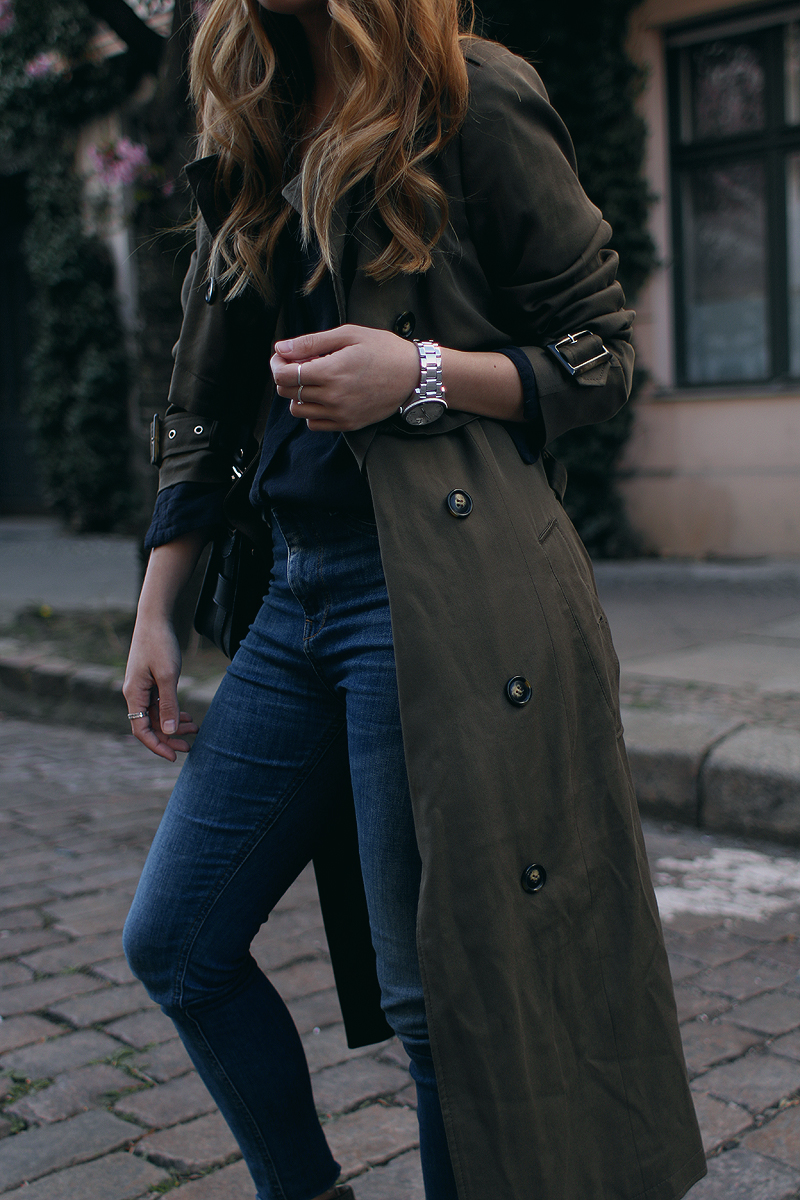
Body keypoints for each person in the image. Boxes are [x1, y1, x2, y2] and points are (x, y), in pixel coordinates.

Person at [122, 1, 707, 1198]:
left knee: (431, 998)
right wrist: (157, 605)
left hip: (430, 589)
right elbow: (210, 402)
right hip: (290, 596)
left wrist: (421, 375)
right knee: (175, 942)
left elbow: (598, 356)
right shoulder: (255, 117)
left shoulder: (469, 96)